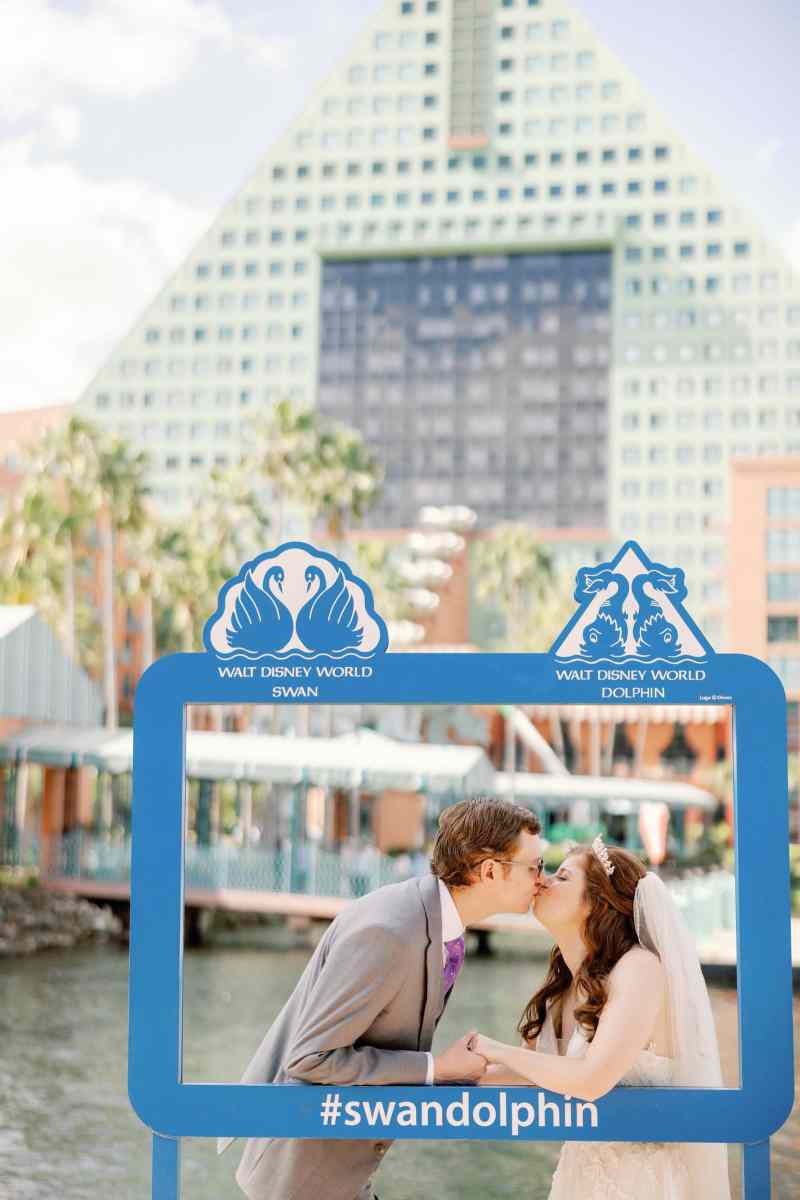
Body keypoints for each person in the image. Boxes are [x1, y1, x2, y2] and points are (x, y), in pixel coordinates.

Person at [219, 796, 546, 1200]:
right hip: (300, 1179)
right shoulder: (390, 931)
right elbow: (309, 1057)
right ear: (490, 871)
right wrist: (436, 1068)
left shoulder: (431, 923)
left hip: (344, 1174)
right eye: (535, 866)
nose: (541, 879)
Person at [469, 837, 731, 1200]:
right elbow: (533, 1072)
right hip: (579, 1174)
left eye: (562, 877)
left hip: (640, 1182)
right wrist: (443, 1073)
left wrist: (494, 1049)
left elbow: (592, 1080)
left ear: (597, 902)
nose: (543, 880)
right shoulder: (564, 986)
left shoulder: (639, 969)